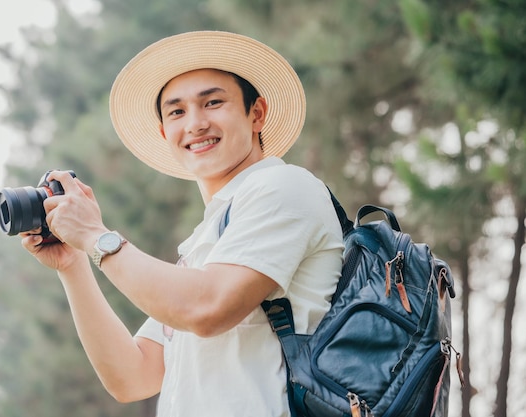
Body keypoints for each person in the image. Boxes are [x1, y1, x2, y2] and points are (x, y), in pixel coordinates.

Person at [21, 31, 344, 417]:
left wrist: (94, 236)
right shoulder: (204, 243)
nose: (195, 123)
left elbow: (208, 307)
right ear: (164, 133)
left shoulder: (283, 186)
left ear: (256, 113)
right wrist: (73, 263)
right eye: (176, 112)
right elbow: (133, 376)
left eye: (213, 102)